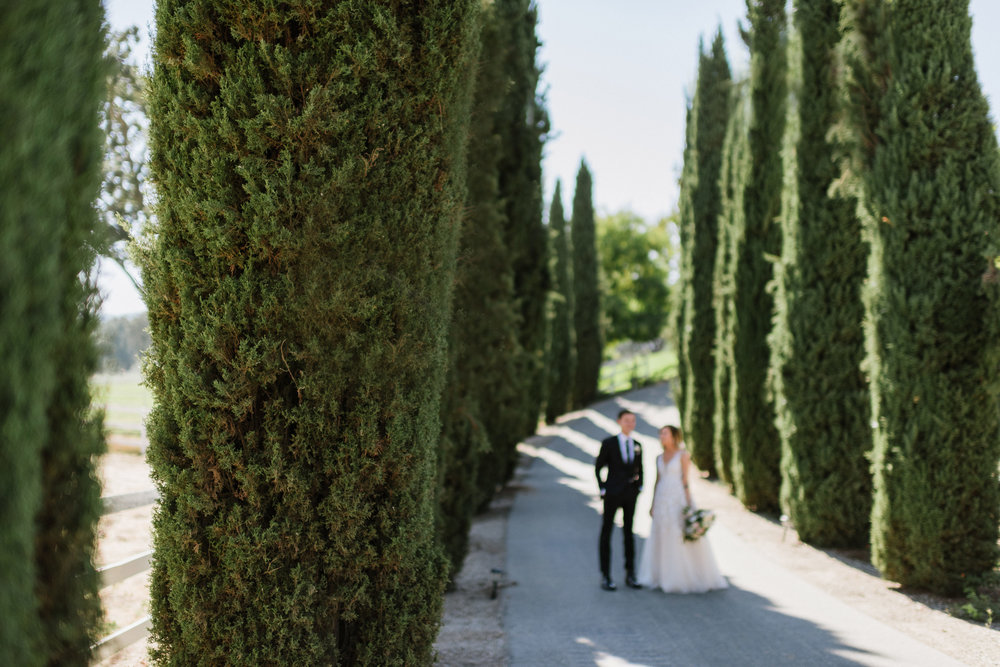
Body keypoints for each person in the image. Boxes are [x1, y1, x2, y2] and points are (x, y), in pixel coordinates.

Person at [637, 424, 727, 593]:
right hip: (662, 498)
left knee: (678, 533)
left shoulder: (683, 455)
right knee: (661, 534)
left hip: (677, 497)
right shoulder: (659, 457)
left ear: (674, 436)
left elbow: (685, 481)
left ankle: (683, 576)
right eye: (660, 434)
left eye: (665, 433)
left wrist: (689, 505)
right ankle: (660, 576)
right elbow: (657, 480)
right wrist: (652, 504)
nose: (662, 436)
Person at [595, 409, 643, 591]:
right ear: (619, 421)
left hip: (630, 494)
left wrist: (639, 487)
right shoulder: (609, 443)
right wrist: (603, 487)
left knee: (629, 533)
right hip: (612, 494)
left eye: (633, 420)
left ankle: (630, 573)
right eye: (627, 420)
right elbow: (598, 467)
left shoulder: (637, 444)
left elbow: (641, 469)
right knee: (607, 531)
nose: (630, 424)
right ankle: (606, 575)